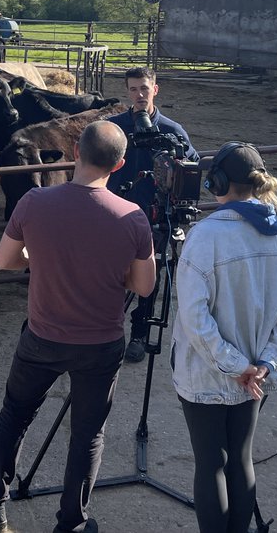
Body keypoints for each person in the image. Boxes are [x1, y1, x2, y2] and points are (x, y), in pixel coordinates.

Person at [0, 120, 157, 533]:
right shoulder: (132, 217)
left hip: (43, 336)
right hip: (100, 343)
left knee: (15, 414)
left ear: (75, 154)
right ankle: (72, 522)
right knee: (87, 434)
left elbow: (4, 261)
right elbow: (143, 285)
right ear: (119, 165)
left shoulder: (34, 202)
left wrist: (39, 258)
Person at [171, 142, 277, 533]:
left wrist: (236, 367)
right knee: (241, 457)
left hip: (207, 374)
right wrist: (266, 362)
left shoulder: (204, 237)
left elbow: (194, 317)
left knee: (211, 462)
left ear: (216, 181)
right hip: (256, 376)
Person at [107, 66, 199, 363]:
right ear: (127, 91)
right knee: (112, 274)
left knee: (150, 277)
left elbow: (192, 165)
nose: (139, 94)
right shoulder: (114, 128)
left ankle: (139, 333)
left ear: (155, 89)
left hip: (155, 216)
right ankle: (107, 330)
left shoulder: (172, 131)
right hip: (117, 216)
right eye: (133, 89)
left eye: (144, 88)